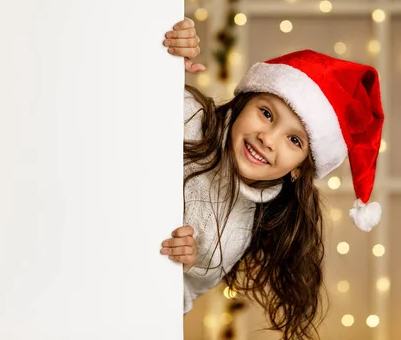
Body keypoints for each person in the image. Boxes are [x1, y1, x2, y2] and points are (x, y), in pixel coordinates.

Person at [160, 18, 385, 339]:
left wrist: (181, 268)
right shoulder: (189, 115)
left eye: (294, 140)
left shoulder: (235, 236)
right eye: (266, 113)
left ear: (299, 168)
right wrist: (165, 60)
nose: (268, 139)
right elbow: (126, 93)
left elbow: (174, 302)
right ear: (242, 104)